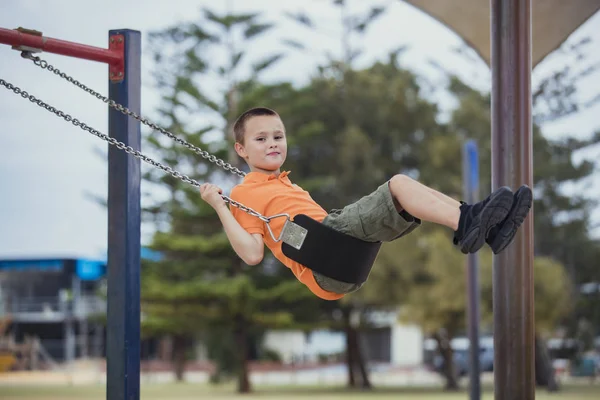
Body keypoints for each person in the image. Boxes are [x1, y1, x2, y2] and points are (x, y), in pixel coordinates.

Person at [200, 107, 533, 300]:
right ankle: (469, 222)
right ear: (241, 150)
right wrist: (220, 206)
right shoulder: (243, 193)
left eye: (278, 136)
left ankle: (486, 227)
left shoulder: (280, 181)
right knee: (399, 185)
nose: (272, 143)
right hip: (325, 252)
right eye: (261, 139)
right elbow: (252, 253)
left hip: (342, 259)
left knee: (405, 197)